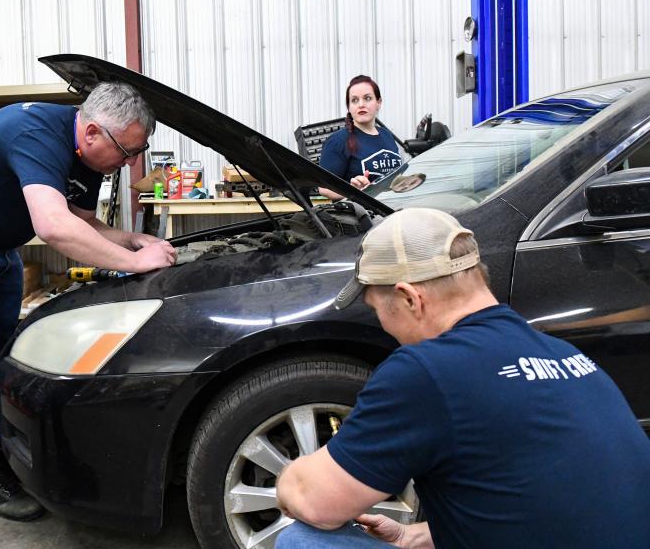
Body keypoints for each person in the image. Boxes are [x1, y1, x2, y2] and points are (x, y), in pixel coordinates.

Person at [275, 208, 650, 548]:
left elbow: (315, 502)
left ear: (410, 298)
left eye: (377, 310)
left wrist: (292, 478)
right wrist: (417, 536)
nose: (384, 326)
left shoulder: (428, 371)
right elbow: (553, 503)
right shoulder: (567, 356)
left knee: (303, 542)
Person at [0, 81, 177, 521]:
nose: (129, 163)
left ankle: (5, 445)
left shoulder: (92, 155)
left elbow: (83, 223)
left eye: (136, 153)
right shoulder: (34, 131)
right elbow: (54, 227)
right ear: (92, 132)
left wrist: (132, 241)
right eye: (126, 152)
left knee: (3, 352)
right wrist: (135, 265)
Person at [318, 75, 402, 200]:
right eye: (355, 100)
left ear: (379, 102)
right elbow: (324, 188)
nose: (361, 105)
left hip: (394, 207)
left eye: (367, 98)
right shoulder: (338, 141)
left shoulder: (387, 135)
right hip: (363, 215)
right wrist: (353, 191)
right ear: (349, 107)